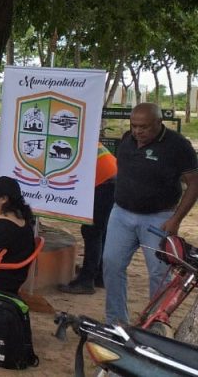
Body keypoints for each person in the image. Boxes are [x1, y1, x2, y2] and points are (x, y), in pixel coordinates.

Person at [103, 103, 198, 325]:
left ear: (158, 123)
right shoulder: (128, 139)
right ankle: (116, 321)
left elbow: (194, 184)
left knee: (160, 273)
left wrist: (176, 219)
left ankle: (155, 324)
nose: (137, 131)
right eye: (134, 126)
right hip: (121, 214)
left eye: (143, 127)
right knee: (111, 264)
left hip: (158, 219)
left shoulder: (178, 146)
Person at [59, 143, 117, 295]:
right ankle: (99, 274)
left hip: (104, 182)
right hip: (112, 177)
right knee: (100, 230)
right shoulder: (81, 135)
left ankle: (86, 280)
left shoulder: (67, 140)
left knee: (92, 231)